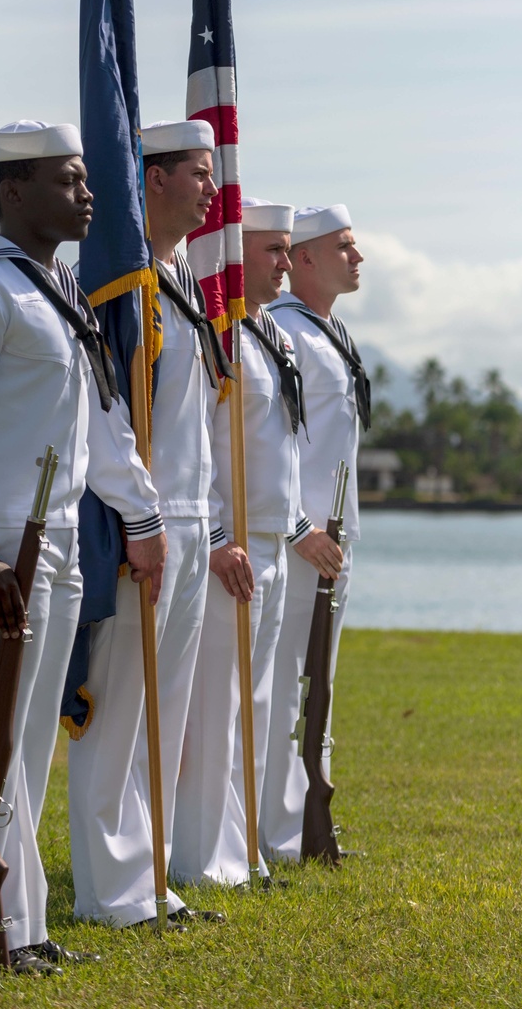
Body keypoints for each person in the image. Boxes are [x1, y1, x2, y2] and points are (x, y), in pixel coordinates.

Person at [0, 120, 165, 975]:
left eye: (86, 179)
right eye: (68, 180)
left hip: (56, 540)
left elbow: (98, 424)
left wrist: (142, 515)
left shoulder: (57, 293)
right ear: (13, 192)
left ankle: (20, 926)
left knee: (27, 742)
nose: (89, 193)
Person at [68, 119, 228, 930]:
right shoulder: (120, 282)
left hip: (193, 522)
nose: (212, 187)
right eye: (196, 173)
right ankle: (108, 888)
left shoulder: (181, 281)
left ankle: (151, 874)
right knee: (121, 708)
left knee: (165, 708)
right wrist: (142, 516)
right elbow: (107, 418)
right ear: (152, 178)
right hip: (145, 523)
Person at [171, 199, 342, 885]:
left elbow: (280, 454)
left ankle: (250, 843)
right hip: (232, 548)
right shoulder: (220, 336)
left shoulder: (271, 335)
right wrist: (215, 536)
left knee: (262, 706)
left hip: (272, 541)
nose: (280, 262)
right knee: (218, 709)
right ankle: (205, 856)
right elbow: (197, 450)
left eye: (281, 250)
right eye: (270, 250)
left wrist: (297, 528)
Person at [261, 203, 368, 863]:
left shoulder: (330, 332)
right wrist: (297, 527)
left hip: (337, 534)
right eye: (344, 247)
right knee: (283, 689)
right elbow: (269, 441)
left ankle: (309, 826)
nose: (358, 258)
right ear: (302, 257)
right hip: (298, 538)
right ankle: (275, 832)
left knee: (317, 686)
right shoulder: (282, 331)